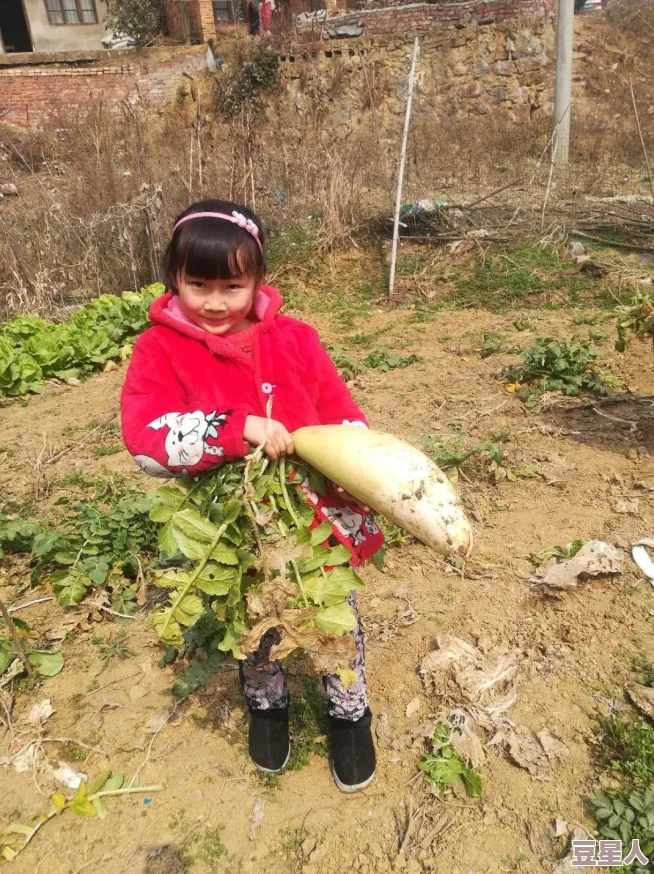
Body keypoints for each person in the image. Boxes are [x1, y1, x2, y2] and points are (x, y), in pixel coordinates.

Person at [120, 199, 385, 793]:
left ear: (258, 280)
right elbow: (146, 438)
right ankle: (267, 706)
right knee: (254, 621)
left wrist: (355, 472)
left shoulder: (296, 339)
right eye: (198, 284)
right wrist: (236, 427)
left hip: (314, 516)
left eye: (232, 286)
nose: (214, 302)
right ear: (174, 278)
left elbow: (341, 415)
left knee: (333, 616)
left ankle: (348, 713)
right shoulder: (158, 350)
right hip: (234, 526)